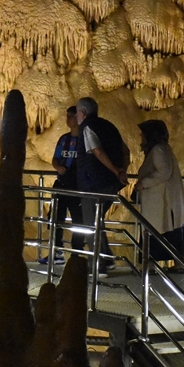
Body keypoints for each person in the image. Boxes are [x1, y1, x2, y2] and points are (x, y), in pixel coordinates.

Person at [75, 97, 129, 276]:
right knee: (97, 221)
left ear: (83, 112)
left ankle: (99, 265)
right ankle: (106, 258)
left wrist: (115, 170)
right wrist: (122, 171)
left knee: (91, 224)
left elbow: (97, 150)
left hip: (93, 184)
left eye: (77, 112)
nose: (76, 116)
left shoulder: (88, 127)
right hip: (110, 184)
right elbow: (126, 151)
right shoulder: (109, 126)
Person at [134, 120, 184, 274]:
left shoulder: (158, 150)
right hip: (163, 200)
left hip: (161, 200)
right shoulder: (162, 148)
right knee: (171, 231)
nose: (140, 136)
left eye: (143, 133)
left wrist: (143, 183)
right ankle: (177, 264)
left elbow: (164, 171)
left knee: (155, 231)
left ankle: (150, 265)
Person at [46, 106, 84, 263]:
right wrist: (58, 167)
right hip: (62, 183)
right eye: (67, 116)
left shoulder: (84, 140)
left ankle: (76, 253)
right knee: (56, 218)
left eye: (72, 116)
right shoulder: (64, 139)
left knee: (78, 220)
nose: (68, 119)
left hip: (78, 185)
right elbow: (55, 158)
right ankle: (57, 252)